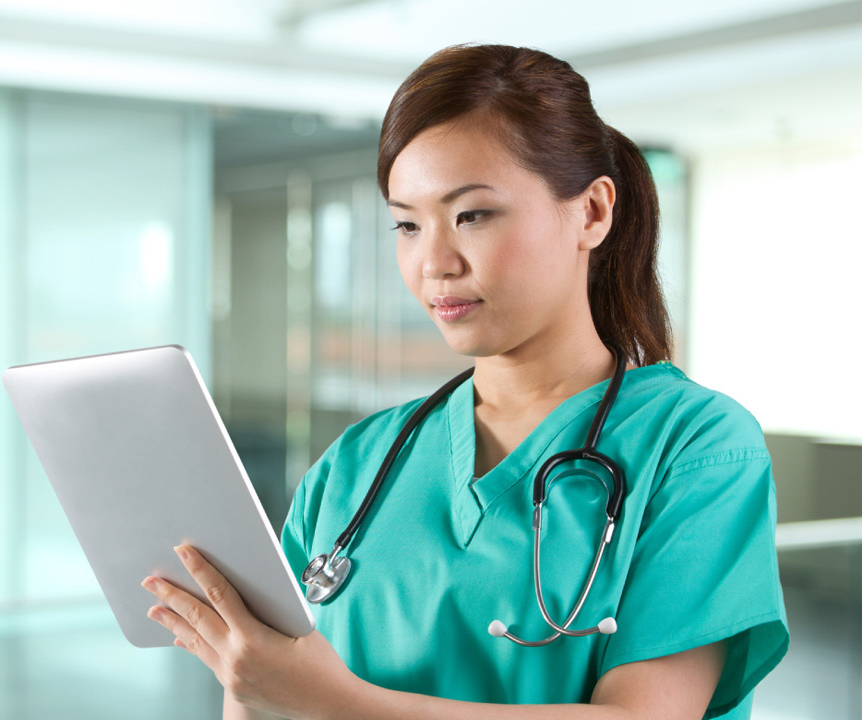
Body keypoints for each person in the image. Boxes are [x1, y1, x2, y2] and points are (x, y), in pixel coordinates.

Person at [139, 43, 790, 719]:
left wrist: (337, 702)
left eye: (472, 215)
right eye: (407, 224)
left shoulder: (698, 447)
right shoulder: (355, 465)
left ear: (593, 212)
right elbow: (263, 701)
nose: (434, 262)